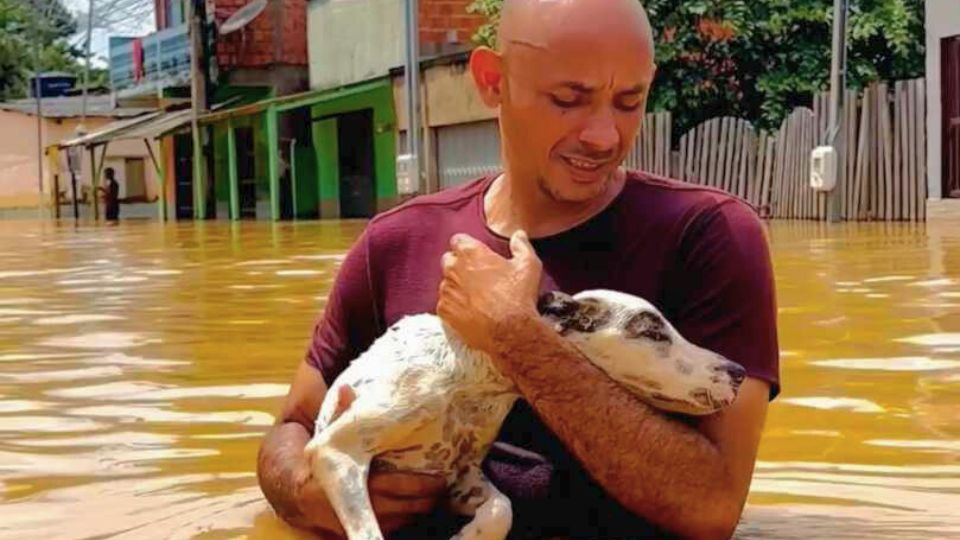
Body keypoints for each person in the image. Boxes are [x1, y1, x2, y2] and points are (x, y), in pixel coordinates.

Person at [257, 0, 780, 538]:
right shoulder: (394, 243)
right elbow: (294, 425)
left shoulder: (706, 236)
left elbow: (712, 507)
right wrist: (303, 492)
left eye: (629, 101)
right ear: (491, 81)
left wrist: (517, 338)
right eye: (567, 100)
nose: (603, 136)